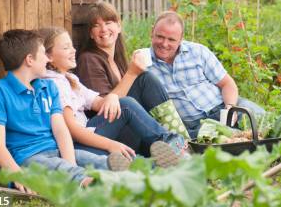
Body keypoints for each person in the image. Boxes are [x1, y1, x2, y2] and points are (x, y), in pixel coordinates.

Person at [0, 30, 128, 193]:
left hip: (56, 152)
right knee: (63, 169)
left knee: (99, 161)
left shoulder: (48, 87)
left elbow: (61, 130)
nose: (47, 59)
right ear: (29, 60)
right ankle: (93, 186)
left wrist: (71, 162)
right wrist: (17, 175)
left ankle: (139, 173)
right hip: (27, 160)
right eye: (43, 54)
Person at [39, 26, 185, 167]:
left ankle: (170, 151)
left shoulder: (69, 79)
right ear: (48, 56)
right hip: (78, 145)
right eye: (66, 48)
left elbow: (100, 104)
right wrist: (111, 144)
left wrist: (112, 97)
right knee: (126, 108)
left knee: (124, 104)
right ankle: (171, 144)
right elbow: (73, 131)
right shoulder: (55, 84)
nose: (73, 50)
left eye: (72, 46)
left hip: (89, 135)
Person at [76, 2, 190, 147]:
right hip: (107, 132)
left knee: (144, 78)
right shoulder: (89, 59)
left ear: (119, 26)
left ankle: (178, 141)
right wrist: (132, 73)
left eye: (108, 22)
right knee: (142, 82)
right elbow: (107, 107)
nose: (103, 29)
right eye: (96, 25)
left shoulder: (117, 59)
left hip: (126, 127)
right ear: (91, 34)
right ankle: (176, 143)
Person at [146, 11, 265, 138]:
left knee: (263, 122)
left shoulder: (198, 52)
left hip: (224, 108)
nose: (164, 44)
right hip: (196, 126)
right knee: (223, 145)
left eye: (171, 39)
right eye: (160, 37)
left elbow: (227, 84)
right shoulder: (144, 65)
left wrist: (230, 108)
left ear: (181, 39)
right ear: (152, 32)